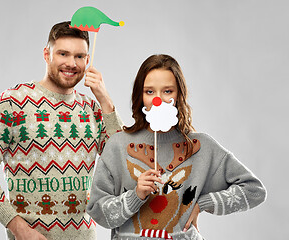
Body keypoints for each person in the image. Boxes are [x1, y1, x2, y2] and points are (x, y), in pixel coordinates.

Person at [0, 21, 123, 240]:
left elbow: (123, 165)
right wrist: (20, 230)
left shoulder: (94, 110)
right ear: (46, 54)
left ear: (88, 60)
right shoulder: (12, 103)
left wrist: (105, 100)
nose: (71, 63)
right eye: (63, 53)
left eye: (79, 56)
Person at [87, 54, 266, 240]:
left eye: (167, 91)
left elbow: (254, 190)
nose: (158, 100)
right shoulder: (118, 145)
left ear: (179, 94)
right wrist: (136, 195)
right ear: (140, 96)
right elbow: (97, 211)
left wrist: (203, 203)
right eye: (149, 92)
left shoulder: (202, 147)